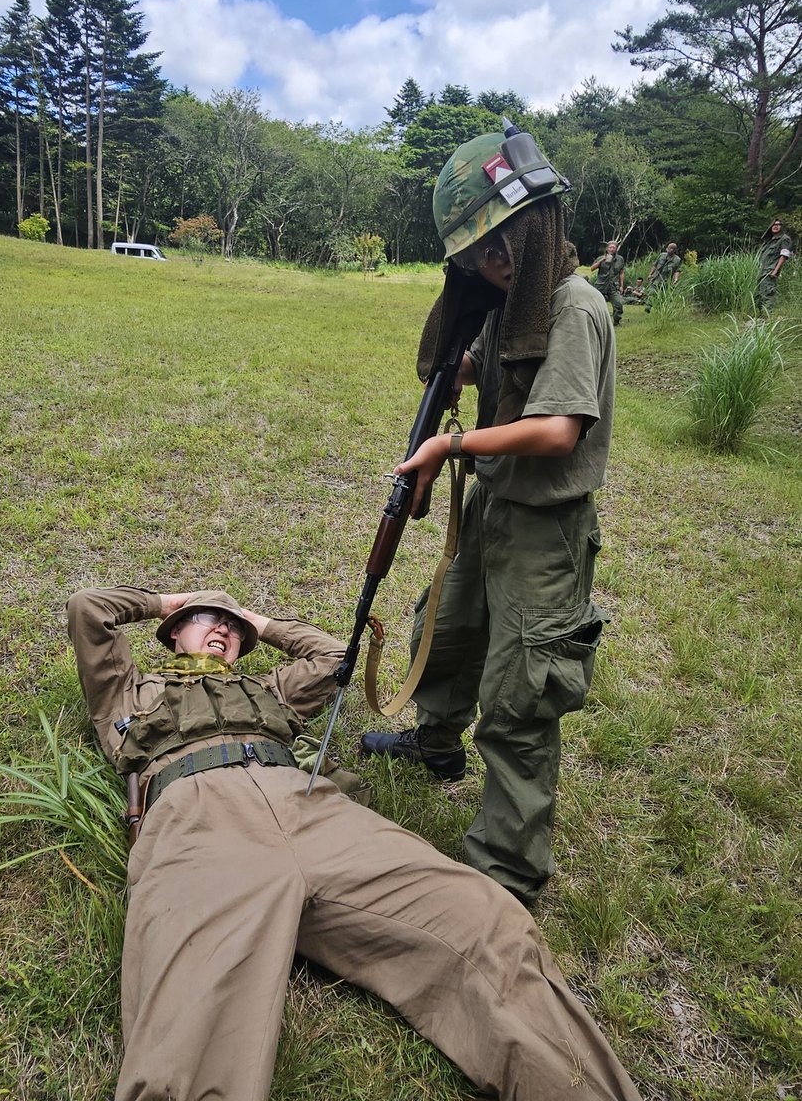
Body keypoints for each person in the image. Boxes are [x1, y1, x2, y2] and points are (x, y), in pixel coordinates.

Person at [68, 584, 641, 1101]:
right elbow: (89, 610)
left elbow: (335, 659)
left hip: (310, 807)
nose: (222, 627)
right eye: (205, 619)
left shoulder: (271, 688)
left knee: (487, 924)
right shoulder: (128, 693)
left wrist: (257, 621)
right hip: (197, 820)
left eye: (231, 625)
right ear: (172, 635)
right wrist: (169, 603)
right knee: (185, 1029)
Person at [361, 128, 614, 908]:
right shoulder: (514, 303)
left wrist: (453, 443)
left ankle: (505, 870)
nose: (490, 268)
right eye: (476, 259)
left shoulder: (575, 306)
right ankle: (433, 740)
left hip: (545, 529)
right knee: (451, 628)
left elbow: (555, 428)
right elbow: (493, 371)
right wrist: (460, 357)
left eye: (499, 252)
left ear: (538, 230)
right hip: (490, 505)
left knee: (520, 692)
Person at [756, 217, 793, 314]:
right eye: (774, 224)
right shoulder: (768, 241)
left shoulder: (785, 239)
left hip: (770, 271)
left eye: (778, 224)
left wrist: (776, 270)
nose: (776, 226)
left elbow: (784, 256)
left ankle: (767, 318)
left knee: (768, 294)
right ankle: (760, 317)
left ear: (782, 227)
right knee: (759, 295)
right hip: (761, 271)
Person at [590, 240, 626, 325]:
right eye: (610, 247)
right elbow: (592, 268)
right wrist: (601, 260)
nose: (612, 249)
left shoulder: (620, 259)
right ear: (607, 249)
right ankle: (596, 321)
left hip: (613, 285)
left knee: (618, 304)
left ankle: (616, 321)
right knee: (597, 304)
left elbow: (621, 272)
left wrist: (621, 285)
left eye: (614, 247)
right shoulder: (601, 258)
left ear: (616, 249)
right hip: (601, 285)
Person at [644, 242, 681, 311]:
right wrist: (650, 274)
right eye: (667, 247)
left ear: (673, 250)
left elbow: (677, 271)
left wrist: (676, 279)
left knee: (662, 296)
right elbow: (655, 265)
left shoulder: (677, 260)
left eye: (669, 248)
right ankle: (648, 307)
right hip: (656, 278)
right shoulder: (662, 255)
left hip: (666, 280)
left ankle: (659, 308)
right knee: (652, 292)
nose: (667, 249)